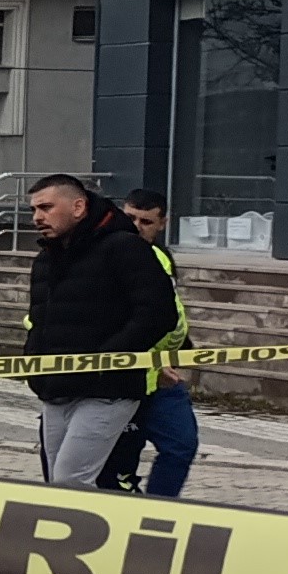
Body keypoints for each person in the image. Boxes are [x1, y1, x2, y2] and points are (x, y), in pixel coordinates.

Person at [20, 171, 166, 491]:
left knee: (72, 479)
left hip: (107, 389)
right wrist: (35, 365)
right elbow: (40, 321)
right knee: (57, 480)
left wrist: (107, 358)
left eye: (46, 207)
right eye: (34, 209)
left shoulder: (124, 248)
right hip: (56, 387)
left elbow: (157, 314)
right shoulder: (46, 259)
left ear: (77, 207)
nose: (37, 217)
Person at [99, 188, 199, 499]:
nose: (137, 226)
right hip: (122, 374)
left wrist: (178, 354)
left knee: (182, 444)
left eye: (146, 221)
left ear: (162, 223)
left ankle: (159, 506)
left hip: (160, 376)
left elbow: (168, 312)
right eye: (130, 218)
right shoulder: (104, 253)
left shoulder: (162, 256)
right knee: (115, 461)